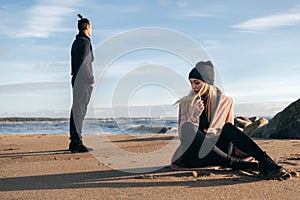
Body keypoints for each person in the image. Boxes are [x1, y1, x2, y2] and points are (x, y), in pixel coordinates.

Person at [171, 60, 290, 180]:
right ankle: (236, 163)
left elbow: (231, 135)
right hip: (195, 156)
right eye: (191, 83)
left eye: (197, 82)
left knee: (228, 127)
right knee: (187, 126)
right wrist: (194, 115)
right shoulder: (185, 103)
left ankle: (265, 161)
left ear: (208, 82)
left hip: (219, 152)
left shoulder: (226, 102)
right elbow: (183, 135)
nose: (193, 86)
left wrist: (243, 152)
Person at [69, 14, 94, 153]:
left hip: (76, 79)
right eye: (91, 27)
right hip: (83, 80)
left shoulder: (76, 42)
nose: (92, 30)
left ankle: (74, 141)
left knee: (76, 109)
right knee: (80, 110)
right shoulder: (85, 42)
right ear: (87, 27)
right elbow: (85, 62)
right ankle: (77, 142)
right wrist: (90, 79)